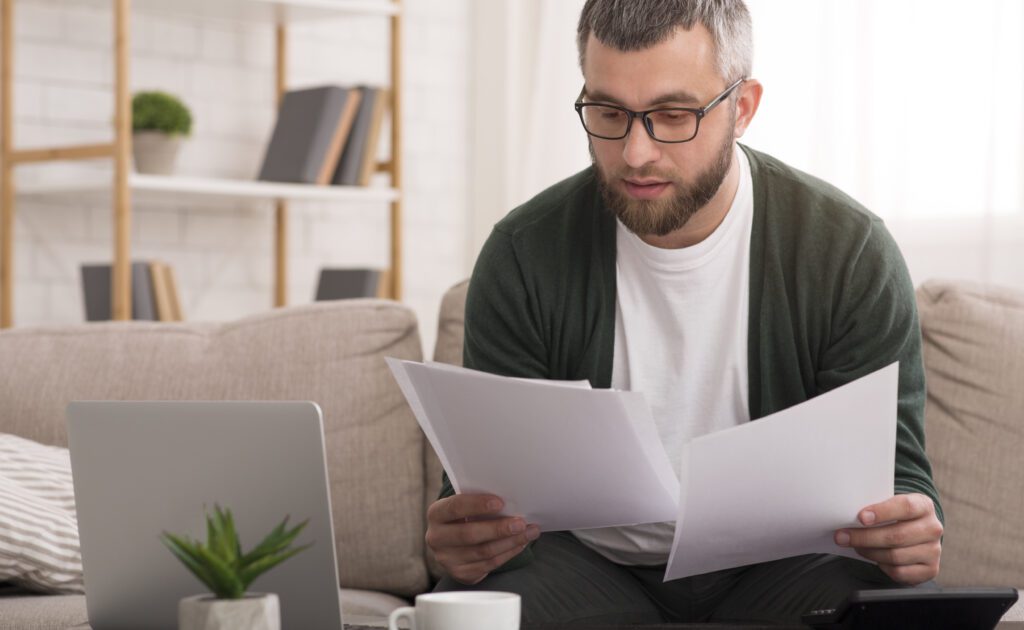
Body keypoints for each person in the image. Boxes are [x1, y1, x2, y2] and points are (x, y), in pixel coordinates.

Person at [426, 0, 944, 624]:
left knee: (889, 606)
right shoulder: (523, 252)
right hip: (586, 570)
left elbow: (897, 476)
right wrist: (467, 537)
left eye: (673, 116)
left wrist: (906, 534)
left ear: (742, 108)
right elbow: (482, 482)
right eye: (608, 113)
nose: (637, 153)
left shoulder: (848, 251)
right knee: (484, 611)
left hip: (784, 571)